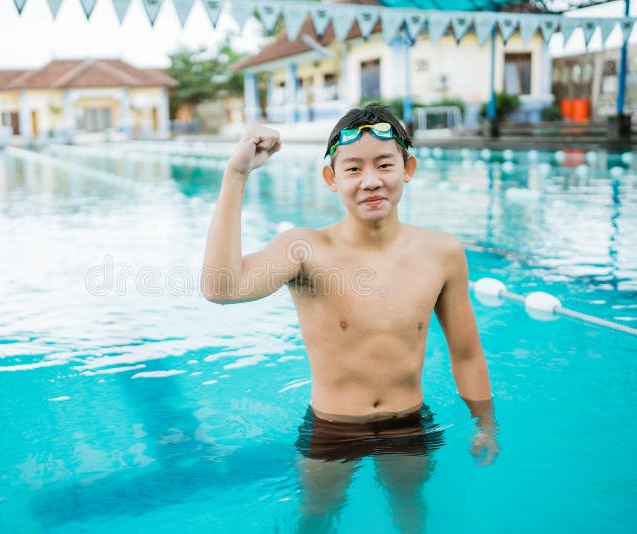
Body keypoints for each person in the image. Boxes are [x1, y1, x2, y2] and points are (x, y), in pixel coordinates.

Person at [201, 104, 499, 532]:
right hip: (332, 425)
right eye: (354, 169)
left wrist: (485, 425)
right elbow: (220, 288)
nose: (371, 180)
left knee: (410, 508)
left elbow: (467, 353)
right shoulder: (304, 249)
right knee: (317, 516)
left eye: (384, 164)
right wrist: (236, 174)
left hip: (407, 421)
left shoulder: (442, 253)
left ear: (407, 168)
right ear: (331, 179)